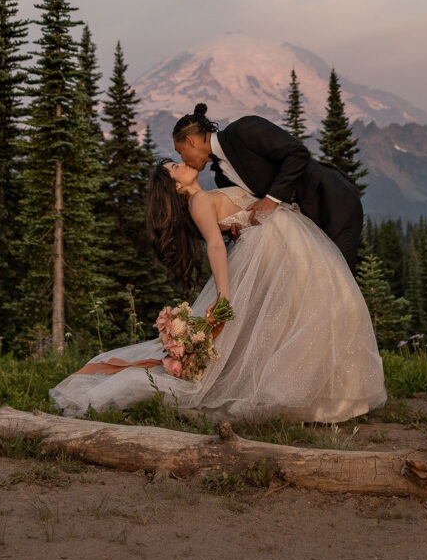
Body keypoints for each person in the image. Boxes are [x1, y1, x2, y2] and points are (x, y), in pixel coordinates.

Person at [48, 155, 386, 424]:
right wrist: (224, 296)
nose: (179, 165)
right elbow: (215, 246)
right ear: (176, 188)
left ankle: (329, 394)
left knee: (308, 314)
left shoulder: (206, 194)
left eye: (175, 161)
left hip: (283, 243)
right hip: (272, 250)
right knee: (305, 314)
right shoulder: (197, 202)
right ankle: (319, 397)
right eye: (173, 169)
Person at [173, 103, 364, 272]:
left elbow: (297, 154)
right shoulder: (222, 177)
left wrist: (271, 198)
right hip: (302, 229)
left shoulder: (244, 129)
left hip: (333, 205)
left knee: (340, 282)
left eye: (180, 152)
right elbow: (254, 206)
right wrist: (240, 228)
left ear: (191, 141)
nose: (182, 159)